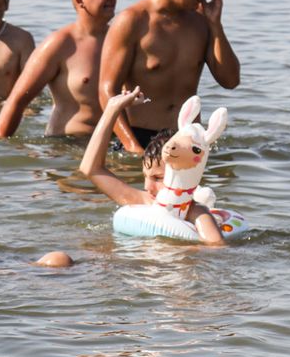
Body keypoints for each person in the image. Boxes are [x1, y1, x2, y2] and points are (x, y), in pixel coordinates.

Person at [99, 0, 240, 153]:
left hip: (187, 140)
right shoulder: (133, 21)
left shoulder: (202, 22)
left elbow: (230, 81)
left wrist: (216, 26)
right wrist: (131, 146)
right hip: (140, 137)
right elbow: (107, 91)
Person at [79, 87, 224, 245]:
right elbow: (90, 168)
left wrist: (179, 249)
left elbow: (216, 247)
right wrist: (112, 108)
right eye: (146, 176)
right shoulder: (143, 201)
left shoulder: (194, 212)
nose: (148, 187)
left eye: (158, 178)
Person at [0, 0, 116, 139]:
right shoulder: (59, 44)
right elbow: (17, 100)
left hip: (114, 144)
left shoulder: (119, 39)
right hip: (68, 144)